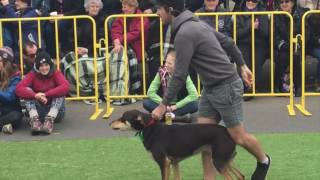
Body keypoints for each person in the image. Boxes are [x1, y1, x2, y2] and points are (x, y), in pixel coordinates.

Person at [152, 1, 271, 180]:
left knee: (238, 137)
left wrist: (163, 105)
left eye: (159, 8)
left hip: (226, 86)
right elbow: (228, 42)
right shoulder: (195, 22)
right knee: (204, 137)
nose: (156, 12)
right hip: (210, 88)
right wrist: (242, 65)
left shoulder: (185, 32)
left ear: (170, 10)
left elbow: (179, 75)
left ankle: (263, 160)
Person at [16, 50, 69, 135]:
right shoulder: (32, 74)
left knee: (59, 91)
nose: (44, 68)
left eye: (46, 65)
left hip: (57, 113)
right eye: (41, 66)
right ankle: (35, 121)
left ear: (50, 65)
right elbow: (19, 89)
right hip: (39, 111)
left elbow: (66, 87)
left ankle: (49, 120)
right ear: (37, 66)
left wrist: (45, 94)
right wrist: (35, 95)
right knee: (27, 91)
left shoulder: (56, 73)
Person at [143, 49, 198, 121]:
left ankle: (164, 116)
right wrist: (163, 104)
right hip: (163, 102)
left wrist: (175, 106)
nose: (166, 65)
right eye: (166, 62)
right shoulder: (161, 72)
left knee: (195, 105)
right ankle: (176, 117)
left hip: (178, 105)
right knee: (146, 103)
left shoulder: (184, 74)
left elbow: (194, 95)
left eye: (169, 63)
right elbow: (150, 92)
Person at [0, 47, 23, 134]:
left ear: (6, 63)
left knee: (16, 117)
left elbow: (10, 96)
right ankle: (4, 126)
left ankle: (4, 125)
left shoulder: (16, 77)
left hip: (9, 111)